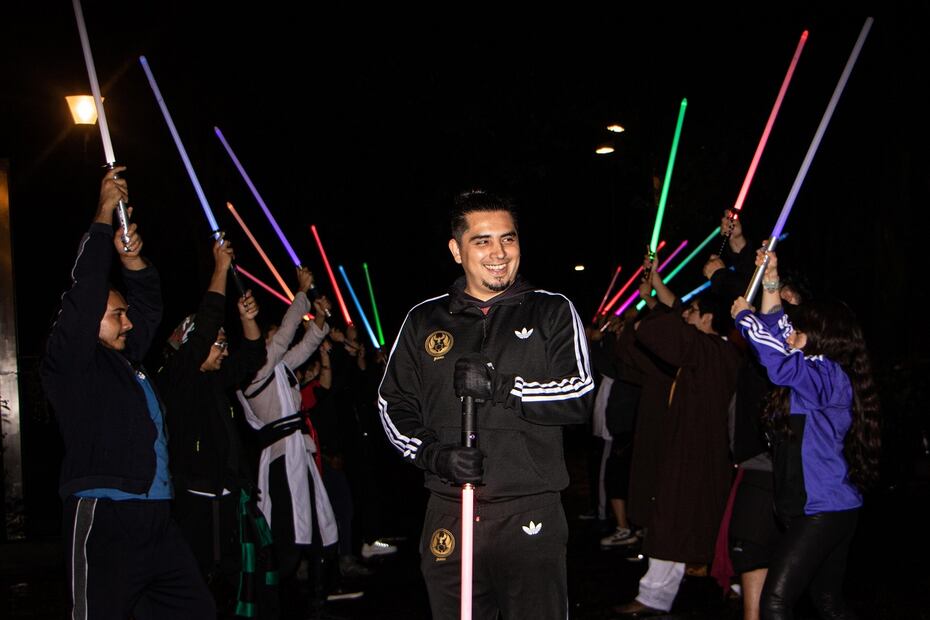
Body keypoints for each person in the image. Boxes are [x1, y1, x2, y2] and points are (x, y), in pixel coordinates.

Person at [378, 190, 594, 619]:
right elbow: (392, 404)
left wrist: (501, 386)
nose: (499, 253)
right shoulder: (424, 319)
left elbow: (579, 396)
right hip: (450, 512)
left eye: (508, 239)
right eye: (483, 241)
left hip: (530, 511)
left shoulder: (551, 310)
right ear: (456, 250)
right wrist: (434, 454)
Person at [41, 168, 215, 618]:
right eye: (118, 315)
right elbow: (85, 292)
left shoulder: (125, 361)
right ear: (92, 319)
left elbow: (150, 307)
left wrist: (132, 260)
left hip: (157, 517)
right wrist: (103, 215)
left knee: (194, 609)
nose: (129, 322)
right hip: (106, 516)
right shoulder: (73, 362)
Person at [732, 249, 880, 620]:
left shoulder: (827, 376)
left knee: (775, 603)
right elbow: (778, 328)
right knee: (828, 603)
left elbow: (778, 360)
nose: (792, 330)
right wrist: (771, 276)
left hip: (824, 511)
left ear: (821, 338)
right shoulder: (816, 372)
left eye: (802, 329)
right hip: (827, 509)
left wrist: (744, 320)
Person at [617, 256, 741, 617]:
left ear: (708, 319)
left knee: (687, 521)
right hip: (691, 454)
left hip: (701, 456)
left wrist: (656, 301)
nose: (687, 315)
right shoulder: (708, 353)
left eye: (694, 311)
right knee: (677, 523)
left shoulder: (715, 351)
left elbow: (659, 332)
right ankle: (657, 593)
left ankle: (731, 584)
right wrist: (655, 292)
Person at [158, 237, 270, 614]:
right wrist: (220, 269)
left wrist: (247, 320)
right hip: (192, 505)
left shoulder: (214, 381)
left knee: (230, 586)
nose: (224, 349)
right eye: (217, 343)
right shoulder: (178, 379)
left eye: (224, 343)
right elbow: (204, 327)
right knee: (194, 589)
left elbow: (252, 356)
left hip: (228, 501)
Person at [237, 268, 342, 613]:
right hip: (281, 459)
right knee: (286, 535)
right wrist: (300, 293)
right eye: (267, 338)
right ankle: (270, 600)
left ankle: (316, 597)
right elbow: (284, 338)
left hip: (299, 454)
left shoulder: (279, 369)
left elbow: (306, 343)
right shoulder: (253, 373)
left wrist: (322, 314)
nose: (274, 342)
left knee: (313, 524)